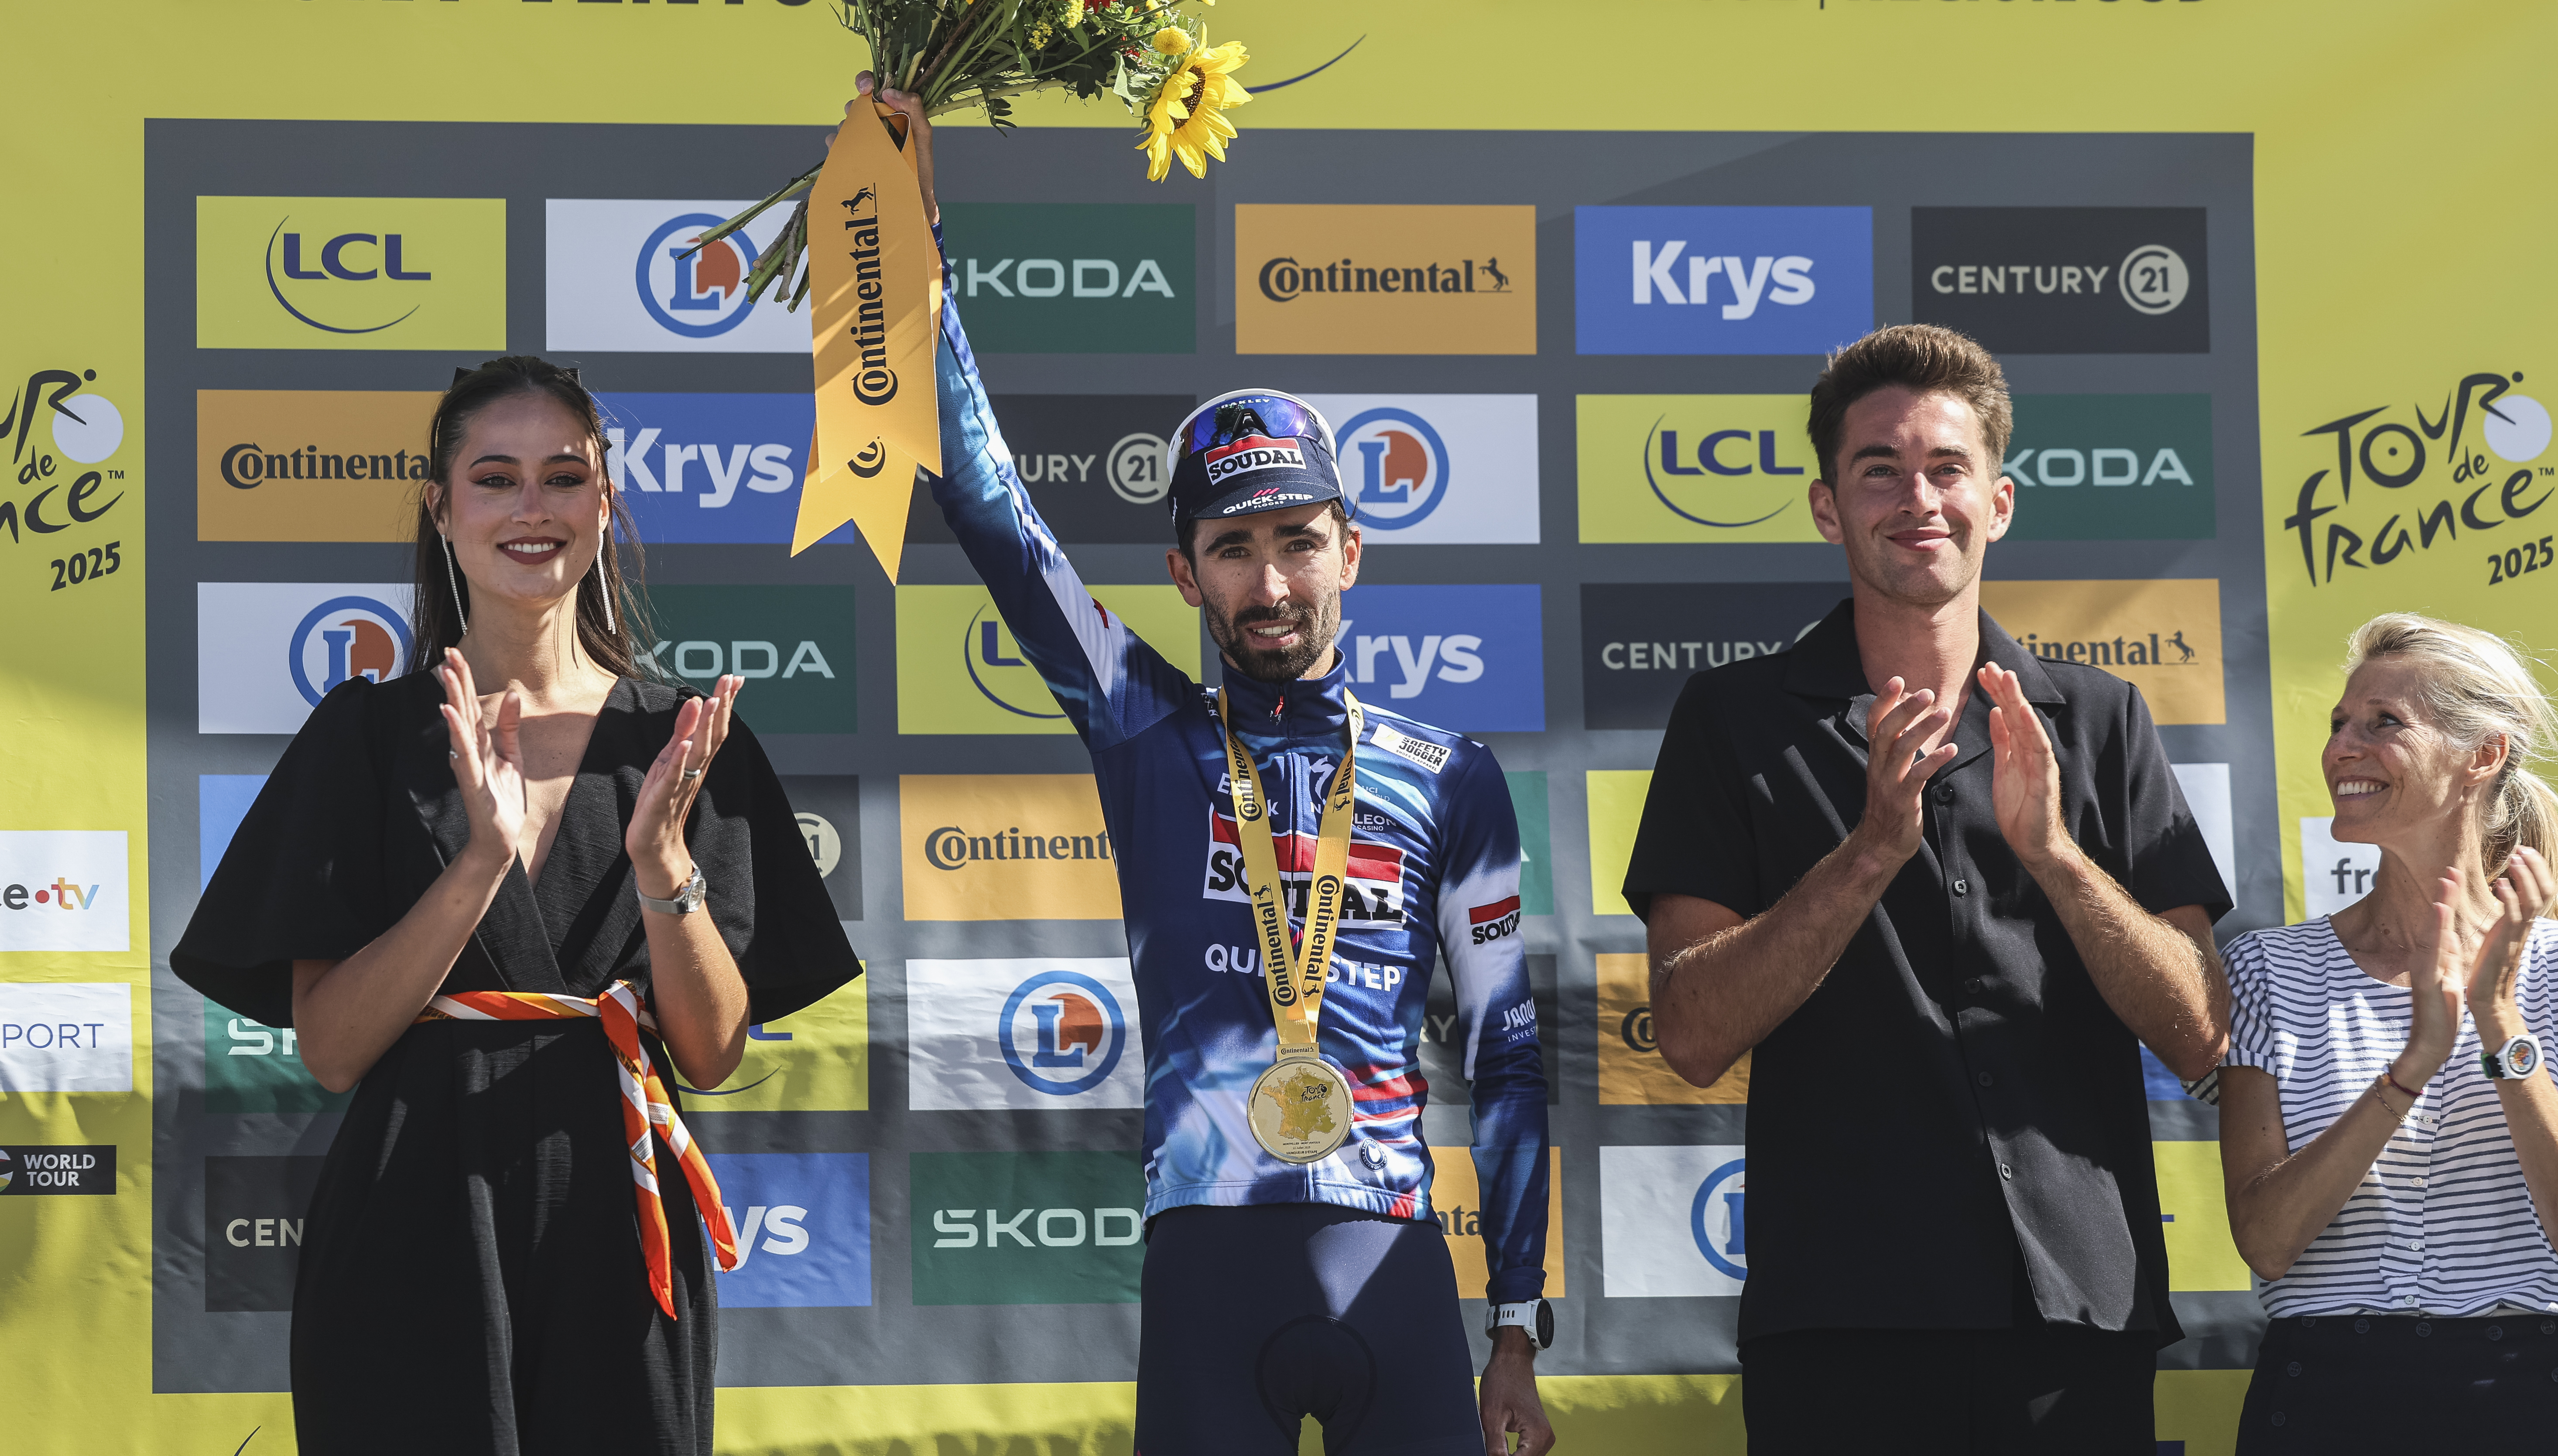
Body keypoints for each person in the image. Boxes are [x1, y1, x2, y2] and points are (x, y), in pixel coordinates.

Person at [860, 75, 1554, 1456]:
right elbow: (992, 510)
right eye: (1234, 547)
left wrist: (1520, 1322)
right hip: (1204, 1266)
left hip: (1398, 1265)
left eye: (1300, 539)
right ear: (1185, 572)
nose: (1271, 577)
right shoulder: (1148, 733)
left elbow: (1507, 1054)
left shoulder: (1449, 771)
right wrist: (913, 257)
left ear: (1352, 551)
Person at [172, 356, 861, 1456]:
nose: (532, 508)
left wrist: (658, 864)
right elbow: (336, 1049)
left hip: (621, 1234)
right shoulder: (363, 738)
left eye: (562, 476)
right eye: (495, 478)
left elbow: (713, 1051)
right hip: (410, 1225)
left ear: (605, 502)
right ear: (442, 509)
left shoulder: (685, 744)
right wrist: (478, 859)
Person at [1626, 325, 2232, 1454]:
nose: (1920, 497)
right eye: (1880, 469)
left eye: (1948, 467)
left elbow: (2201, 1027)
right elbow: (1693, 1031)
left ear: (1998, 501)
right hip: (1842, 1324)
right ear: (1826, 505)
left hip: (2078, 1315)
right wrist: (1867, 849)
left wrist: (2054, 850)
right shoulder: (1733, 719)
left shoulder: (2101, 721)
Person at [2214, 613, 2558, 1448]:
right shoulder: (2266, 967)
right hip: (2326, 1396)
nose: (2343, 747)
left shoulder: (2550, 968)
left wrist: (2499, 1020)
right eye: (2339, 723)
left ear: (2482, 756)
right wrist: (2413, 1067)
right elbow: (2266, 1241)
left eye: (2384, 724)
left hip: (2526, 1390)